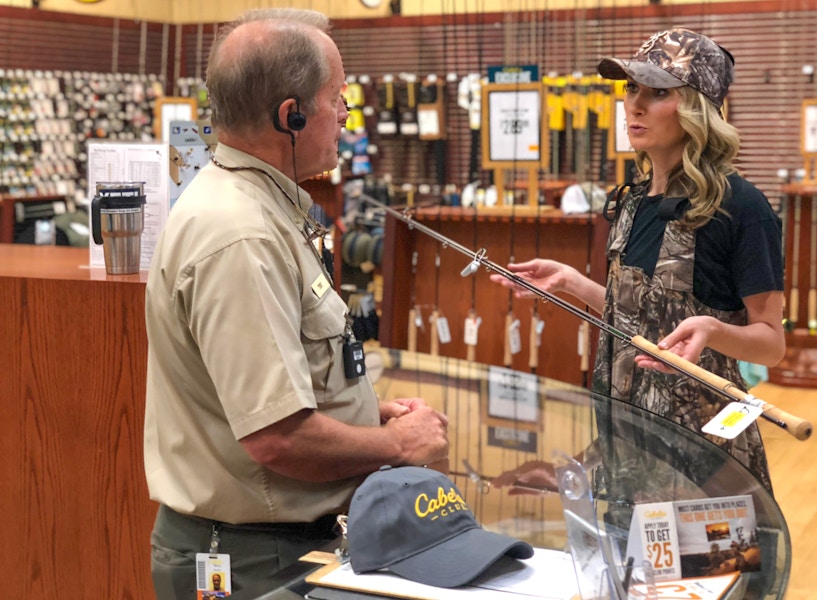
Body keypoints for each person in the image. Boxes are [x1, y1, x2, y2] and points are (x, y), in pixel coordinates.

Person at [143, 9, 450, 599]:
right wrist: (399, 444)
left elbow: (272, 385)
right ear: (292, 115)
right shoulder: (240, 236)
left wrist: (364, 415)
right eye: (337, 99)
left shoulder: (261, 209)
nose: (344, 116)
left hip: (274, 550)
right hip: (250, 564)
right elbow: (275, 437)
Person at [490, 28, 784, 494]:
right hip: (627, 456)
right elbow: (645, 316)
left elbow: (770, 342)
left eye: (658, 92)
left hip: (706, 469)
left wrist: (712, 331)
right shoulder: (635, 200)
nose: (635, 105)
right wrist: (572, 283)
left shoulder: (742, 207)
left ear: (696, 108)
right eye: (632, 88)